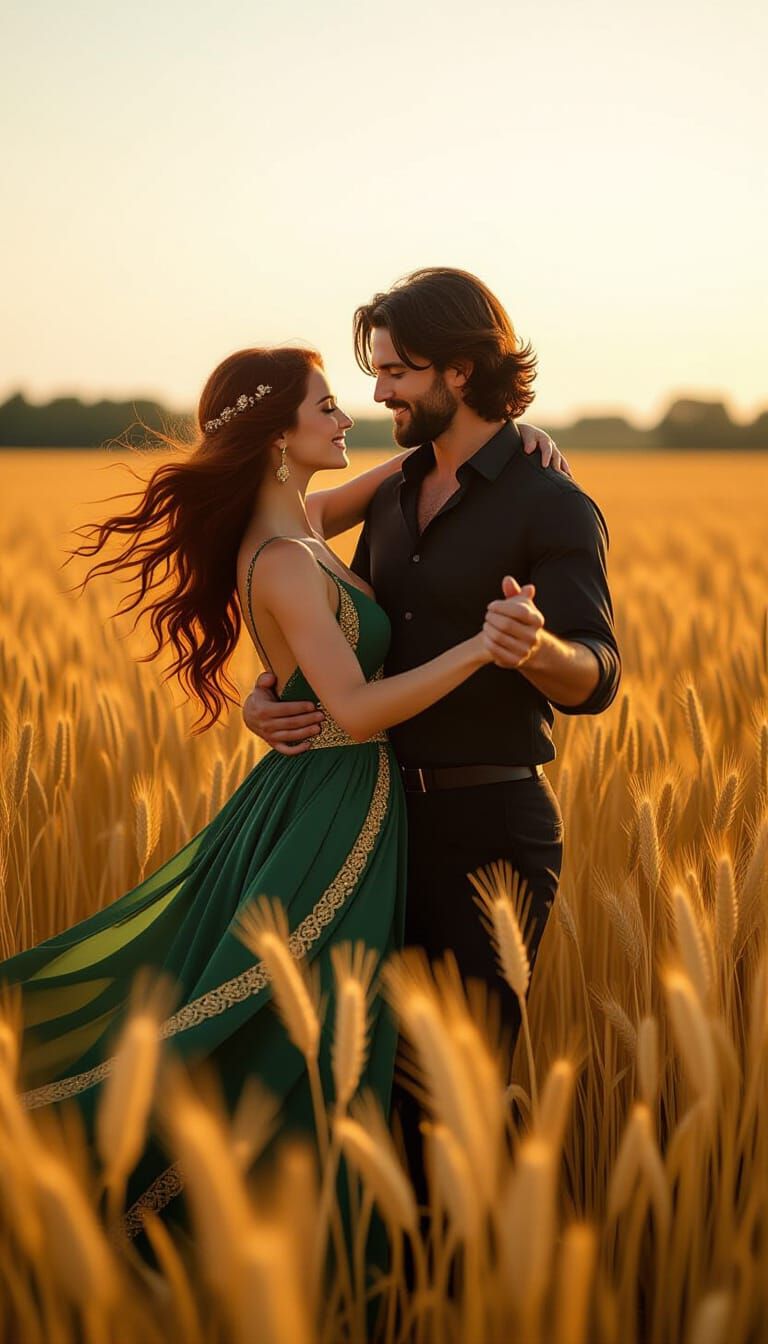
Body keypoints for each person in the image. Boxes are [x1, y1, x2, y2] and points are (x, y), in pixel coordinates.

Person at [0, 341, 560, 1240]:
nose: (346, 418)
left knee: (320, 1022)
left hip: (349, 798)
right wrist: (482, 648)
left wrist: (514, 436)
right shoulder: (287, 560)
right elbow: (357, 708)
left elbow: (403, 471)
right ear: (276, 437)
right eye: (327, 405)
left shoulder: (305, 523)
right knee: (284, 1021)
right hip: (332, 810)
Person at [242, 268, 622, 1185]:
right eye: (372, 373)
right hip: (372, 829)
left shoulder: (551, 503)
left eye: (398, 373)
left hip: (491, 832)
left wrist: (533, 649)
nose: (376, 394)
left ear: (460, 371)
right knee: (366, 1095)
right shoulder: (391, 497)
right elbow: (319, 611)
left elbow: (599, 676)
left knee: (458, 1104)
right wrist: (269, 695)